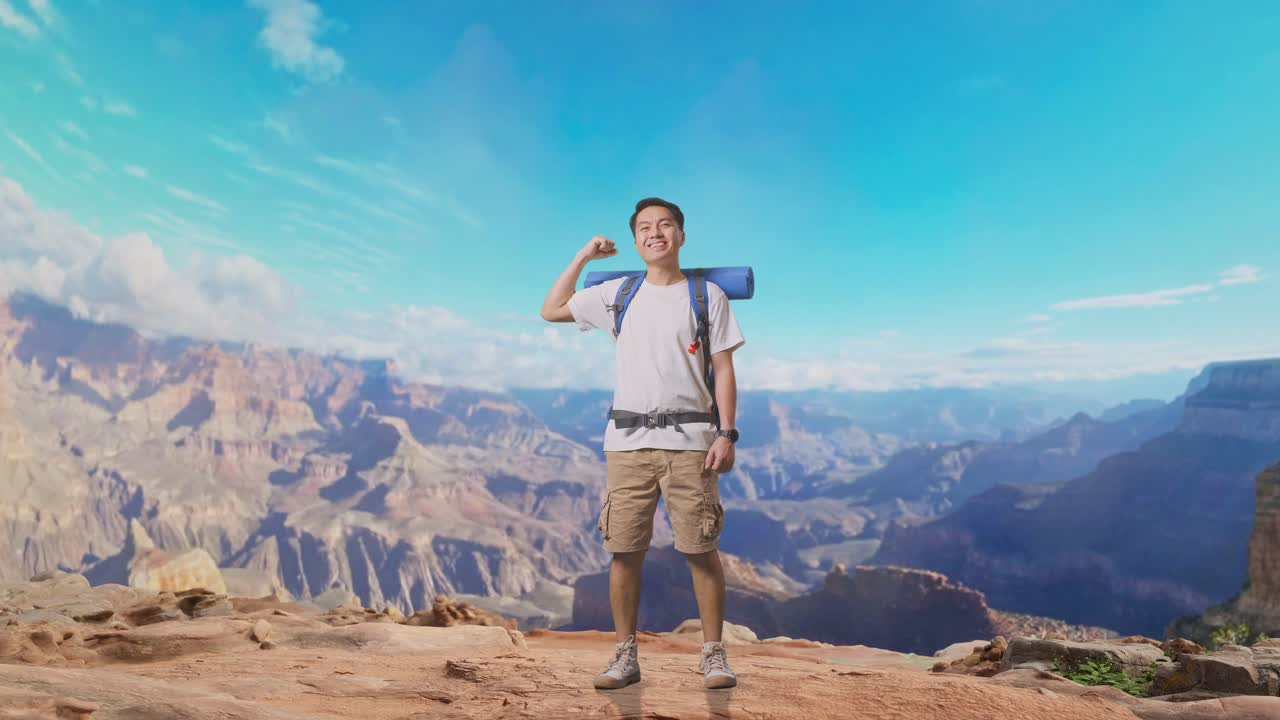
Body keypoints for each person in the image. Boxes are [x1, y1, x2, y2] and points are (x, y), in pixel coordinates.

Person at [540, 197, 745, 690]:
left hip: (692, 442)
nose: (656, 233)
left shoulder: (707, 295)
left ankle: (713, 655)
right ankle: (625, 656)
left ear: (681, 235)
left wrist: (727, 432)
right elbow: (551, 310)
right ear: (635, 241)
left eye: (665, 225)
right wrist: (584, 256)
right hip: (628, 444)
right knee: (624, 550)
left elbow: (723, 369)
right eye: (646, 228)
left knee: (700, 549)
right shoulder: (618, 294)